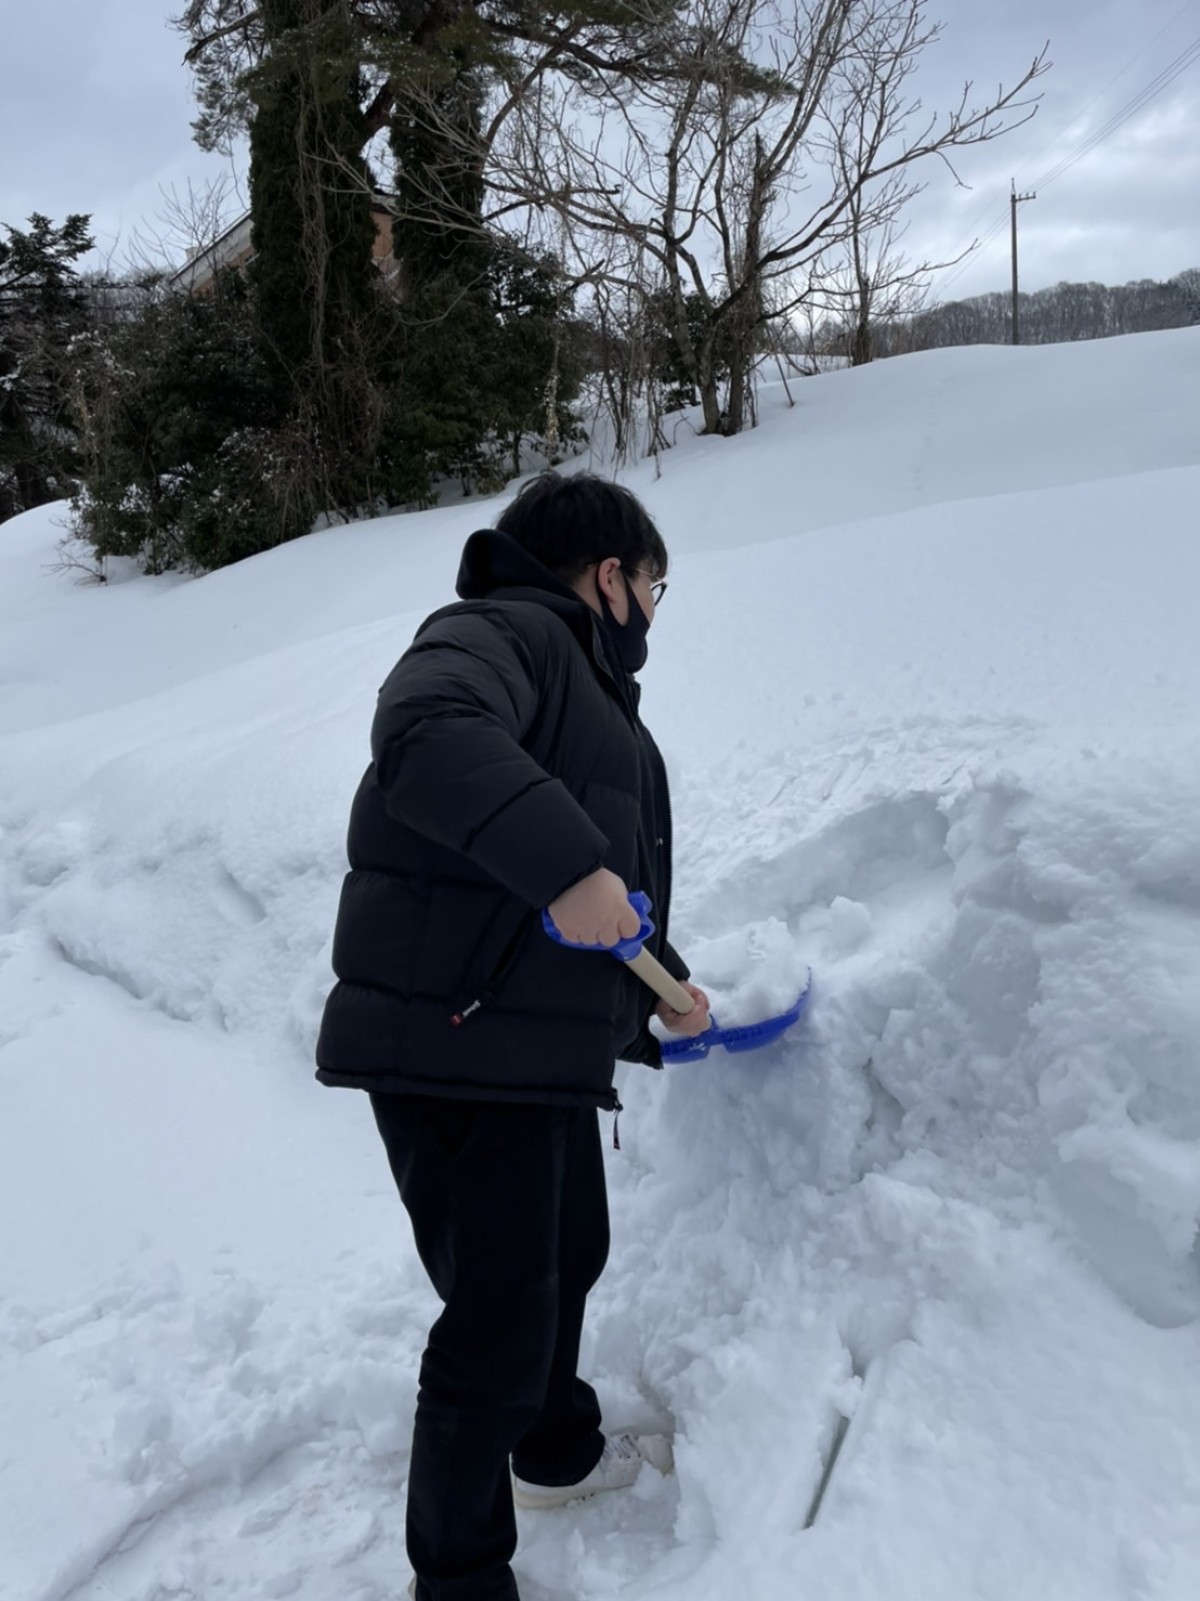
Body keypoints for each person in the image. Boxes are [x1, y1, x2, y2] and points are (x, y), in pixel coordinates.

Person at [315, 471, 709, 1601]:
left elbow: (598, 906)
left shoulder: (576, 679)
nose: (652, 612)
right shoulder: (499, 632)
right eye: (654, 586)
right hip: (455, 1039)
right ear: (608, 575)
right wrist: (574, 867)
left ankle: (555, 1449)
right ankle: (459, 1577)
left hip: (519, 1045)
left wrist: (664, 989)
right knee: (494, 1322)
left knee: (565, 1257)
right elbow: (425, 732)